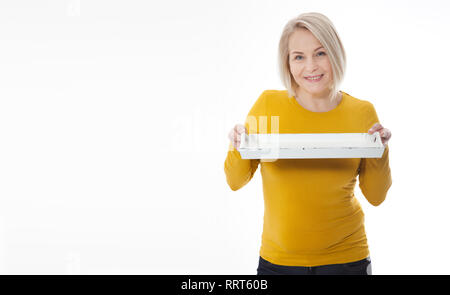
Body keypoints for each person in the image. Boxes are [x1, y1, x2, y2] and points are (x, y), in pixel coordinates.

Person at [224, 12, 392, 275]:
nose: (311, 66)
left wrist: (379, 150)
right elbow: (235, 181)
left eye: (320, 53)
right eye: (299, 57)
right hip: (277, 264)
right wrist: (237, 145)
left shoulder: (362, 112)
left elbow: (376, 196)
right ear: (287, 63)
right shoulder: (268, 105)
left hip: (347, 261)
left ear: (335, 54)